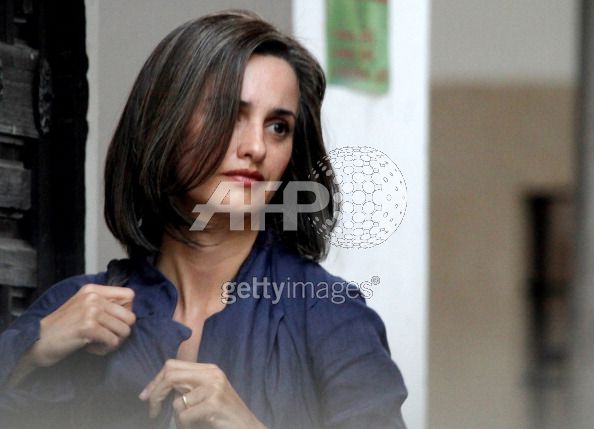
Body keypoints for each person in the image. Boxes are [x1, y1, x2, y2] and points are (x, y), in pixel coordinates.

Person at [0, 9, 407, 429]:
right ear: (165, 122)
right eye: (230, 114)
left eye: (278, 127)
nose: (256, 147)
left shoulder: (330, 315)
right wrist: (30, 353)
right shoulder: (74, 308)